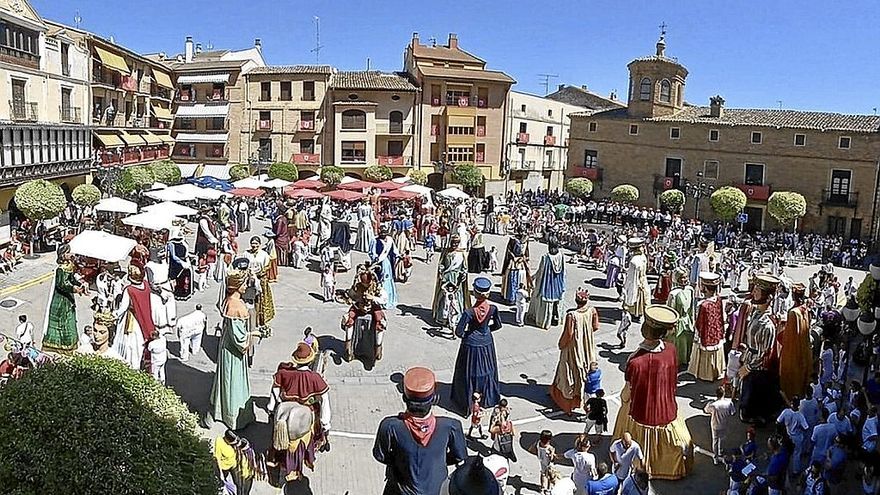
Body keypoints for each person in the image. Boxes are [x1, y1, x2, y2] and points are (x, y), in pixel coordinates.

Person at [612, 304, 692, 480]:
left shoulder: (635, 361)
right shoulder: (671, 349)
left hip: (641, 411)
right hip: (666, 407)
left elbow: (627, 393)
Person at [373, 366, 467, 495]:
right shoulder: (451, 427)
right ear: (434, 399)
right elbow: (459, 456)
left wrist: (402, 460)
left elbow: (380, 455)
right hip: (437, 490)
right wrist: (436, 459)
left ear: (404, 398)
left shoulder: (389, 426)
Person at [269, 342, 331, 482]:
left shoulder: (284, 373)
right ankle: (301, 463)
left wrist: (271, 407)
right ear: (310, 360)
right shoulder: (315, 378)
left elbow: (275, 391)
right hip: (305, 412)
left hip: (284, 409)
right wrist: (325, 423)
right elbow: (325, 400)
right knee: (311, 434)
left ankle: (277, 460)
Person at [209, 268, 257, 430]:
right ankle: (233, 415)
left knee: (226, 379)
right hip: (233, 351)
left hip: (226, 345)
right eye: (244, 284)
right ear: (237, 286)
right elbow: (239, 337)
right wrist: (252, 336)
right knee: (232, 381)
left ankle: (221, 409)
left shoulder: (229, 300)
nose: (246, 287)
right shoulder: (236, 306)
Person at [451, 277, 502, 415]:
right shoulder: (492, 309)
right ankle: (486, 397)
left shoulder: (469, 312)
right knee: (487, 370)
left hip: (471, 345)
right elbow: (498, 325)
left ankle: (467, 401)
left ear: (475, 292)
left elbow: (459, 331)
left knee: (467, 371)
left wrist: (469, 334)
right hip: (486, 343)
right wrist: (485, 332)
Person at [738, 274, 784, 425]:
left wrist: (748, 367)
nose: (754, 293)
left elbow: (765, 353)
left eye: (757, 291)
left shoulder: (768, 324)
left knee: (753, 395)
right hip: (749, 359)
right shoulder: (756, 312)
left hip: (756, 369)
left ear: (768, 298)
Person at [549, 288, 599, 415]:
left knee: (568, 372)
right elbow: (596, 327)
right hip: (587, 346)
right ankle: (582, 400)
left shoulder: (572, 315)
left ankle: (568, 403)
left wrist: (561, 344)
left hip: (573, 348)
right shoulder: (592, 311)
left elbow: (569, 333)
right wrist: (585, 334)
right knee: (584, 370)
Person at [42, 244, 85, 354]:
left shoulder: (70, 265)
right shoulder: (60, 269)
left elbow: (71, 279)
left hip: (68, 298)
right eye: (68, 252)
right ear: (62, 255)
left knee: (69, 320)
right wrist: (74, 289)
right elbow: (61, 284)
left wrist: (80, 284)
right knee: (62, 320)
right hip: (61, 299)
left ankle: (70, 343)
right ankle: (59, 344)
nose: (70, 254)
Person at [341, 264, 387, 361]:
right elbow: (351, 295)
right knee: (348, 319)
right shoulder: (357, 286)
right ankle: (348, 347)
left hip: (373, 307)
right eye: (363, 283)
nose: (365, 285)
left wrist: (373, 298)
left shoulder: (377, 287)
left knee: (380, 322)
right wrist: (350, 299)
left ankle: (378, 348)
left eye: (367, 283)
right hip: (359, 307)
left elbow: (384, 299)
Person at [113, 265, 154, 370]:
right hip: (146, 319)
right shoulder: (145, 284)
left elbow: (123, 307)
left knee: (131, 344)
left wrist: (114, 315)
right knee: (140, 343)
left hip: (133, 319)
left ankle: (132, 367)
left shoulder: (129, 290)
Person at [688, 272, 726, 381]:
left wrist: (697, 334)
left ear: (704, 287)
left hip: (706, 334)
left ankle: (705, 374)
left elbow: (699, 323)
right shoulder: (718, 299)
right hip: (717, 332)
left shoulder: (703, 305)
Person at [779, 283, 813, 402]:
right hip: (804, 348)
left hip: (793, 349)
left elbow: (789, 336)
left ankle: (790, 397)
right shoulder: (805, 309)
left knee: (790, 371)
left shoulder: (793, 312)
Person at [432, 234, 470, 327]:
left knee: (456, 298)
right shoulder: (446, 252)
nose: (454, 245)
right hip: (446, 278)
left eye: (456, 243)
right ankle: (443, 318)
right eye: (453, 243)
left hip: (457, 279)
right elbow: (442, 264)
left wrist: (463, 274)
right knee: (444, 297)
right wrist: (441, 270)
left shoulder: (462, 253)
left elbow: (464, 267)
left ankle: (456, 318)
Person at [527, 241, 567, 329]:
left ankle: (545, 322)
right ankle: (557, 318)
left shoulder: (545, 257)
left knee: (544, 302)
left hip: (547, 284)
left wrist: (534, 278)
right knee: (557, 303)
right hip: (558, 284)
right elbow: (564, 271)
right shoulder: (561, 255)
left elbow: (541, 272)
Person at [244, 236, 275, 331]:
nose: (254, 246)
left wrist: (258, 274)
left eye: (256, 244)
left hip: (261, 280)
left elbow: (267, 266)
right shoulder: (246, 254)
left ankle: (259, 320)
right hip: (249, 280)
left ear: (259, 245)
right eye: (253, 243)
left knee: (260, 301)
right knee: (249, 300)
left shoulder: (264, 254)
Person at [665, 268, 695, 366]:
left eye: (686, 277)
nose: (685, 279)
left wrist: (693, 321)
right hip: (678, 323)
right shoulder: (673, 294)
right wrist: (672, 326)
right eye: (682, 277)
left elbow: (692, 308)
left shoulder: (690, 290)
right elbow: (670, 312)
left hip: (688, 322)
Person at [704, 387, 736, 464]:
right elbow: (733, 412)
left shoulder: (713, 405)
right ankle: (720, 450)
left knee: (715, 440)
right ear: (723, 394)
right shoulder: (729, 403)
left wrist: (708, 403)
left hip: (715, 425)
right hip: (724, 424)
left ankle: (716, 458)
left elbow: (706, 410)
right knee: (722, 438)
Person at [370, 224, 399, 309]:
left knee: (388, 279)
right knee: (379, 279)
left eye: (385, 233)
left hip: (389, 263)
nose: (383, 234)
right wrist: (375, 258)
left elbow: (394, 250)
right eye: (382, 233)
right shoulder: (375, 241)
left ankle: (389, 299)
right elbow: (372, 252)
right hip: (380, 263)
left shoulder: (390, 240)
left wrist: (398, 256)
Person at [622, 238, 649, 321]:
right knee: (643, 297)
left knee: (635, 296)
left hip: (636, 281)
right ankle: (640, 312)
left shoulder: (634, 261)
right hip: (643, 279)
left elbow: (632, 277)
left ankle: (634, 313)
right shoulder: (643, 256)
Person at [501, 231, 530, 304]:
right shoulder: (524, 240)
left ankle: (512, 297)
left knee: (513, 279)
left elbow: (509, 252)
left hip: (515, 263)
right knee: (518, 279)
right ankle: (517, 297)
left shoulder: (513, 240)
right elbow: (527, 253)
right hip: (519, 262)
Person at [532, 430, 556, 495]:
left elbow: (532, 449)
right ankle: (548, 489)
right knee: (550, 476)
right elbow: (551, 459)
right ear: (549, 440)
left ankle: (542, 488)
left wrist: (538, 454)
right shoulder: (549, 448)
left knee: (543, 474)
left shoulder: (538, 443)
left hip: (542, 461)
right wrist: (552, 453)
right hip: (549, 464)